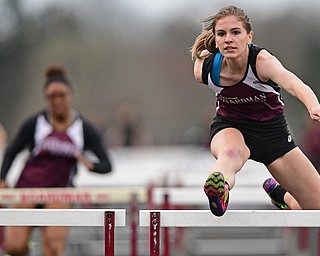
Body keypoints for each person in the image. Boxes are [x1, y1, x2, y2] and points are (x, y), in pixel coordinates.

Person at [191, 5, 320, 217]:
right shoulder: (204, 68)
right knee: (230, 154)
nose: (228, 39)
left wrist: (313, 104)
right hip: (231, 127)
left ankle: (282, 195)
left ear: (249, 36)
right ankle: (218, 187)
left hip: (273, 136)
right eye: (221, 34)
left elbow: (293, 83)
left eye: (235, 32)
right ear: (215, 39)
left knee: (315, 208)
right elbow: (203, 57)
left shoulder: (262, 62)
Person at [0, 65, 112, 255]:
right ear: (46, 99)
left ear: (71, 96)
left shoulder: (83, 128)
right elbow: (12, 151)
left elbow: (107, 165)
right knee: (13, 247)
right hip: (29, 187)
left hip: (60, 192)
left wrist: (90, 164)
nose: (57, 101)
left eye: (62, 95)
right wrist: (2, 179)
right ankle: (29, 246)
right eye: (52, 96)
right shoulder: (35, 123)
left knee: (53, 247)